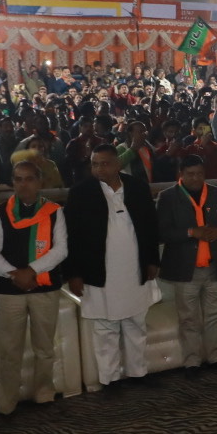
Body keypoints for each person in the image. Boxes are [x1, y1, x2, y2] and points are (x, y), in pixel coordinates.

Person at [64, 143, 160, 388]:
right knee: (105, 327)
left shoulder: (137, 188)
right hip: (99, 270)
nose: (99, 169)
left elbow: (150, 227)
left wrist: (152, 260)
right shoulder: (80, 193)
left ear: (118, 164)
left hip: (134, 268)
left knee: (135, 322)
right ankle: (110, 379)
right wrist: (73, 273)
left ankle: (138, 373)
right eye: (95, 164)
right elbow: (71, 237)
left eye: (105, 164)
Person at [0, 158, 67, 415]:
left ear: (40, 182)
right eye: (18, 179)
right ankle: (8, 401)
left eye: (29, 178)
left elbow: (61, 249)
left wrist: (31, 271)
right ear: (12, 183)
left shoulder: (54, 211)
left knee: (44, 348)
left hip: (45, 287)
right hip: (9, 290)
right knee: (10, 349)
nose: (24, 184)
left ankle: (43, 393)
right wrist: (14, 274)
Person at [157, 154, 217, 369]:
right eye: (190, 174)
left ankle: (216, 357)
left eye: (200, 174)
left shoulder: (216, 193)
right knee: (189, 319)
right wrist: (192, 232)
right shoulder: (168, 197)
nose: (196, 179)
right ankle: (192, 361)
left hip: (214, 265)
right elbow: (162, 232)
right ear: (181, 175)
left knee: (214, 314)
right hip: (185, 268)